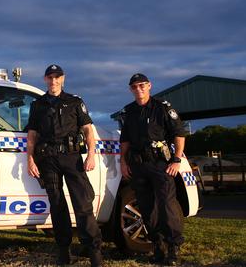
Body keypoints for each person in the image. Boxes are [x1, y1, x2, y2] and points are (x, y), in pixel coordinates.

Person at [26, 64, 103, 267]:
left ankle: (94, 252)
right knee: (57, 205)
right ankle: (63, 251)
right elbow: (32, 134)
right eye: (50, 77)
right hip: (47, 160)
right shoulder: (38, 105)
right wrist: (30, 158)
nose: (53, 81)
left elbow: (87, 130)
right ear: (45, 80)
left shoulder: (74, 102)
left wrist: (91, 155)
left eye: (57, 77)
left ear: (63, 79)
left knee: (83, 204)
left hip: (71, 158)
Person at [119, 73, 186, 266]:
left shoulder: (162, 108)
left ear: (149, 86)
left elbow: (179, 134)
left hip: (161, 165)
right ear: (131, 89)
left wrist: (176, 160)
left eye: (141, 85)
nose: (138, 89)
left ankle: (173, 247)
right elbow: (125, 141)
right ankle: (158, 246)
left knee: (166, 206)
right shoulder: (129, 111)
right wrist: (123, 163)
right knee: (147, 209)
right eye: (134, 87)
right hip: (138, 165)